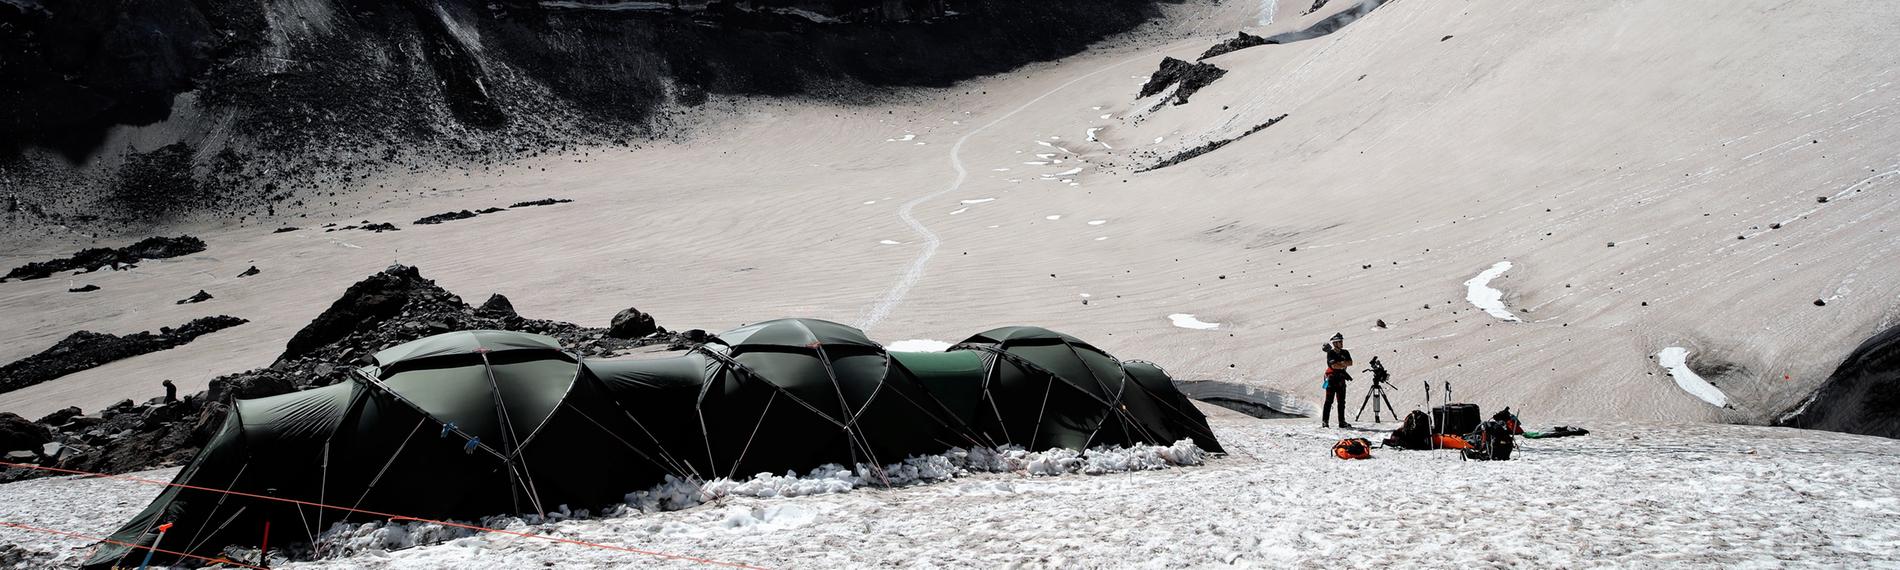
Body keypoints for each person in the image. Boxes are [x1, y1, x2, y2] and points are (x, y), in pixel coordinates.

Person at [1321, 333, 1352, 428]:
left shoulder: (1345, 352)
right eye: (1339, 342)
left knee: (1341, 402)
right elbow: (1333, 365)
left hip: (1341, 379)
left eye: (1341, 341)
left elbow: (1350, 363)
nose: (1342, 343)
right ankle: (1325, 421)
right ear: (1334, 343)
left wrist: (1339, 364)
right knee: (1329, 401)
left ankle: (1342, 421)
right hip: (1331, 380)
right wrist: (1343, 363)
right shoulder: (1331, 353)